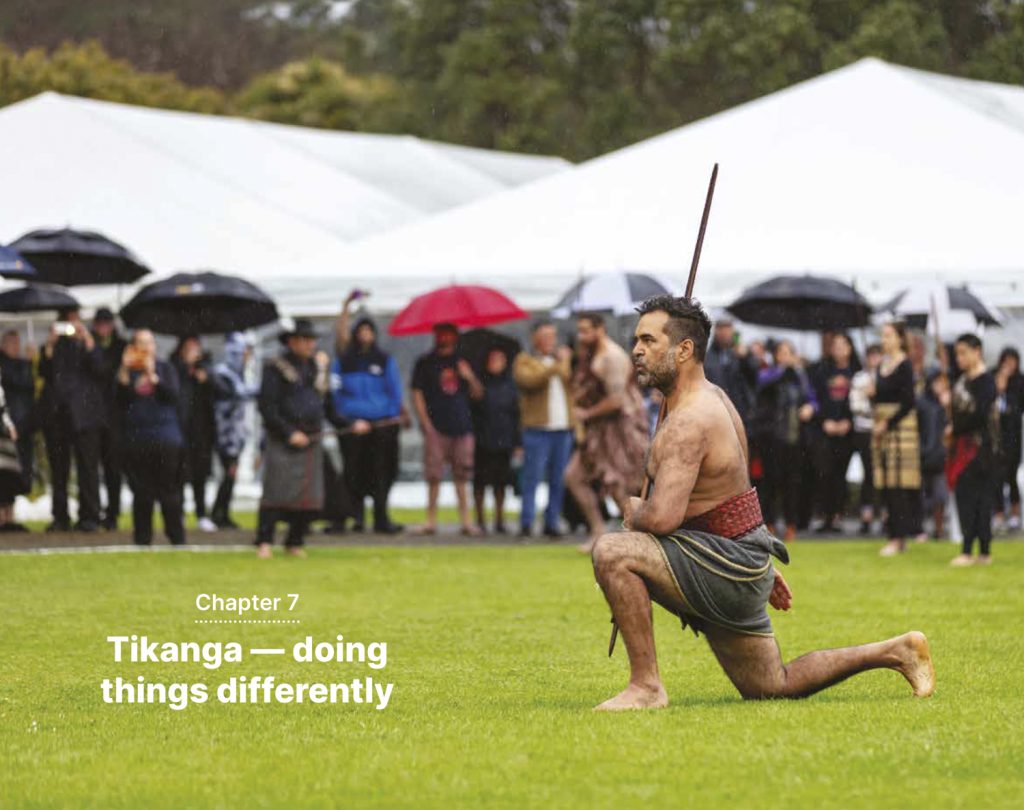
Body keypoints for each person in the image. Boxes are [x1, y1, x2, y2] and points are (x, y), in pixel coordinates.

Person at [589, 294, 934, 711]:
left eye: (648, 340)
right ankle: (897, 651)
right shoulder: (714, 399)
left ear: (684, 350)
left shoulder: (689, 419)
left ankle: (646, 687)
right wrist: (760, 562)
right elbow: (732, 497)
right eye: (637, 340)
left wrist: (633, 510)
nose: (637, 350)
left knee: (612, 551)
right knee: (772, 684)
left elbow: (661, 518)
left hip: (725, 565)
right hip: (738, 558)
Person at [565, 312, 650, 553]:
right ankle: (598, 530)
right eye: (579, 330)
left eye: (586, 331)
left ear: (600, 329)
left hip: (620, 429)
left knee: (618, 485)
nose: (582, 336)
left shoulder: (612, 356)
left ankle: (635, 537)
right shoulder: (588, 354)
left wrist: (586, 413)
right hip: (597, 430)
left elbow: (616, 400)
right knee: (574, 477)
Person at [256, 319, 329, 558]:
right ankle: (264, 540)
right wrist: (288, 432)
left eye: (312, 340)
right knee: (276, 492)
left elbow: (326, 403)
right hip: (283, 438)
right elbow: (267, 407)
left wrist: (352, 423)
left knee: (308, 496)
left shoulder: (315, 369)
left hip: (312, 438)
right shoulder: (275, 368)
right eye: (306, 340)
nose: (311, 345)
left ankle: (295, 540)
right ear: (293, 342)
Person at [329, 304, 404, 534]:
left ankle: (381, 517)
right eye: (360, 331)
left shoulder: (383, 360)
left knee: (382, 473)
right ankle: (355, 516)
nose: (365, 336)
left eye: (368, 331)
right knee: (353, 473)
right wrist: (348, 420)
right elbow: (335, 393)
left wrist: (390, 416)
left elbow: (394, 390)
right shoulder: (343, 361)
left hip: (381, 425)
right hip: (353, 425)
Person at [410, 323, 483, 536]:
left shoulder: (464, 361)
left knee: (463, 474)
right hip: (436, 426)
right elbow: (417, 393)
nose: (444, 338)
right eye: (441, 334)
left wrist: (468, 376)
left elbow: (478, 394)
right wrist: (425, 422)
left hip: (462, 425)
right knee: (434, 475)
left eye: (448, 334)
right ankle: (430, 520)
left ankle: (466, 521)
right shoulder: (425, 362)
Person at [116, 329, 186, 546]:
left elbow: (173, 396)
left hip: (166, 438)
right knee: (142, 493)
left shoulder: (165, 368)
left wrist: (153, 375)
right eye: (141, 343)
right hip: (137, 438)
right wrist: (125, 369)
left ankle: (177, 538)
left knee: (170, 492)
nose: (146, 348)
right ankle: (142, 540)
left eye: (150, 343)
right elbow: (120, 399)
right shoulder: (126, 371)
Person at [38, 307, 105, 532]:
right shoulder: (52, 347)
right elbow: (44, 373)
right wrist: (49, 345)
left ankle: (90, 515)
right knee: (59, 470)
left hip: (84, 416)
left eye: (73, 321)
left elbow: (101, 370)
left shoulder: (88, 344)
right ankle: (60, 516)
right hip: (58, 415)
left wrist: (86, 340)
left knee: (88, 466)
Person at [512, 321, 575, 538]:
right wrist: (557, 366)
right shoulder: (525, 361)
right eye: (545, 336)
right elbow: (529, 381)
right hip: (537, 429)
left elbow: (571, 380)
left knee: (558, 479)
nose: (551, 340)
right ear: (535, 339)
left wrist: (563, 363)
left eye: (553, 335)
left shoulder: (562, 361)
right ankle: (527, 522)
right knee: (532, 477)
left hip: (562, 429)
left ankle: (552, 521)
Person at [753, 341, 817, 541]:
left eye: (789, 353)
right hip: (772, 439)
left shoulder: (800, 378)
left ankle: (791, 524)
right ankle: (769, 523)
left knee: (792, 484)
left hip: (794, 438)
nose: (785, 356)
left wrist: (811, 408)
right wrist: (783, 369)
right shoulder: (769, 374)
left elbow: (813, 400)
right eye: (782, 353)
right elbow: (762, 385)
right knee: (770, 483)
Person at [871, 322, 922, 556]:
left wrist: (888, 423)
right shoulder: (881, 364)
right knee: (887, 483)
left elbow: (908, 401)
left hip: (900, 429)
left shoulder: (904, 365)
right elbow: (881, 396)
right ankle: (893, 533)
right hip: (882, 426)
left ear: (900, 339)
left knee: (899, 485)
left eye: (889, 335)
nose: (885, 340)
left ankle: (899, 536)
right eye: (883, 335)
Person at [946, 334, 997, 567]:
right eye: (957, 353)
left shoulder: (986, 381)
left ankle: (981, 550)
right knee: (965, 499)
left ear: (977, 352)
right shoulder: (960, 381)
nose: (960, 358)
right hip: (961, 447)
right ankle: (968, 548)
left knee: (981, 501)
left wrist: (955, 427)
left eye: (964, 352)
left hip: (981, 449)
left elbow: (979, 415)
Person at [471, 348, 520, 534]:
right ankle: (480, 519)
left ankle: (499, 519)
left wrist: (517, 442)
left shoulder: (510, 385)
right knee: (480, 482)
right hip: (483, 439)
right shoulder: (480, 384)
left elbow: (515, 414)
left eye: (500, 360)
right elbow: (475, 405)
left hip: (504, 439)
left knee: (501, 482)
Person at [210, 332, 257, 530]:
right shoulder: (223, 374)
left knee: (231, 473)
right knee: (229, 471)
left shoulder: (238, 375)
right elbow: (238, 394)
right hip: (225, 434)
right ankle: (219, 513)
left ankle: (222, 512)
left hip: (236, 434)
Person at [813, 333, 858, 533]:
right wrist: (824, 421)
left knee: (841, 474)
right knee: (825, 473)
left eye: (843, 345)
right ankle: (826, 515)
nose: (838, 349)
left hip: (848, 431)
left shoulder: (857, 372)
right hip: (826, 430)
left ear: (850, 348)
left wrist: (849, 420)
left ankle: (839, 514)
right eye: (835, 345)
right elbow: (816, 398)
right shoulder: (823, 371)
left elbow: (860, 401)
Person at [171, 336, 216, 532]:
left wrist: (205, 379)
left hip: (202, 430)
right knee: (179, 473)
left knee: (200, 474)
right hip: (180, 429)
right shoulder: (174, 369)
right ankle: (178, 513)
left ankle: (201, 514)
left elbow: (220, 391)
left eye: (196, 347)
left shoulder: (206, 370)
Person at [91, 308, 127, 530]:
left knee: (113, 467)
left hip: (115, 414)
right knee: (93, 466)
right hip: (93, 413)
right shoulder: (87, 344)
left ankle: (113, 512)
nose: (103, 327)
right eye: (100, 323)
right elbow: (100, 370)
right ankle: (95, 511)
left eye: (107, 323)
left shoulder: (122, 347)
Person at [0, 331, 36, 531]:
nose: (16, 346)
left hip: (21, 427)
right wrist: (28, 363)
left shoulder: (19, 364)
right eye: (12, 342)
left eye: (17, 342)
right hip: (6, 429)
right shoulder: (5, 365)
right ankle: (2, 518)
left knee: (15, 474)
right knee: (4, 473)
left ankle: (10, 516)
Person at [703, 316, 759, 428]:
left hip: (742, 414)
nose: (724, 332)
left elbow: (754, 377)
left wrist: (746, 357)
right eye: (721, 328)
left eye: (728, 327)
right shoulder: (707, 357)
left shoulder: (743, 352)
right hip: (717, 414)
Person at [849, 343, 881, 534]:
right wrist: (869, 400)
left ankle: (886, 516)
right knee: (868, 474)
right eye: (872, 356)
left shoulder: (885, 377)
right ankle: (866, 516)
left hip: (881, 431)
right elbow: (855, 405)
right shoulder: (860, 378)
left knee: (882, 475)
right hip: (864, 431)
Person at [993, 347, 1023, 532]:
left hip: (1013, 436)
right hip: (997, 436)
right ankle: (998, 513)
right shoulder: (993, 378)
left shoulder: (1020, 382)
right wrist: (1000, 386)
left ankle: (1015, 512)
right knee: (996, 476)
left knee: (1011, 476)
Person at [917, 370, 949, 540]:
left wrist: (947, 407)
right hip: (923, 455)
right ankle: (920, 529)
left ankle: (938, 529)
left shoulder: (948, 403)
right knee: (921, 496)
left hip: (942, 455)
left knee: (940, 495)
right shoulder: (921, 402)